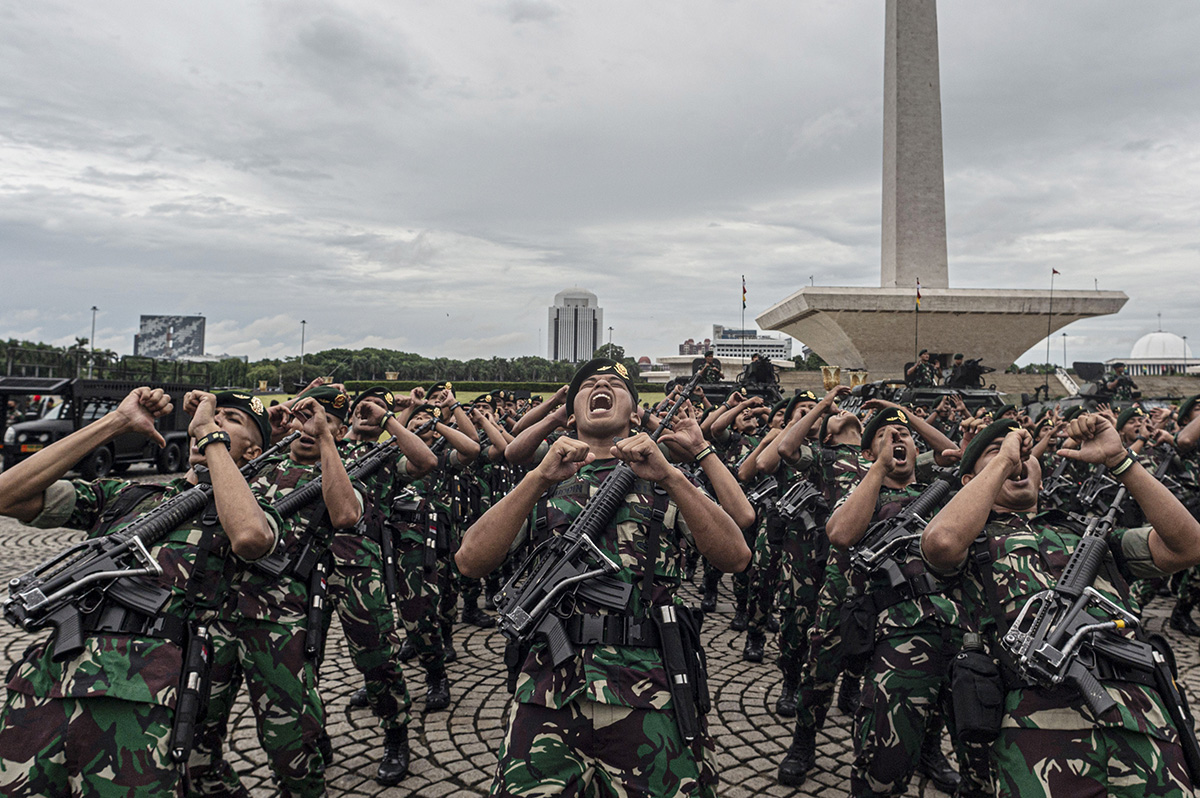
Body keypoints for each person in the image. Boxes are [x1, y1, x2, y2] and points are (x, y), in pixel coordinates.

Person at [457, 358, 750, 797]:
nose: (602, 387)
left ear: (635, 413)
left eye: (615, 384)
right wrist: (537, 478)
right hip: (549, 690)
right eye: (589, 384)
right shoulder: (544, 482)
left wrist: (670, 475)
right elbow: (470, 559)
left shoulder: (665, 481)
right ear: (571, 413)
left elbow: (736, 556)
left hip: (649, 692)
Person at [0, 388, 277, 798]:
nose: (215, 420)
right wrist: (115, 423)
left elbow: (252, 538)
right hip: (46, 683)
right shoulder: (128, 497)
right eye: (213, 414)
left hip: (140, 701)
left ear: (252, 454)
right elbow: (7, 494)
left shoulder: (250, 510)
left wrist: (206, 432)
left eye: (230, 420)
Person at [922, 416, 1200, 797]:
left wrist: (1121, 460)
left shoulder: (1089, 534)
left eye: (1024, 454)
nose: (1018, 458)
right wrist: (1005, 458)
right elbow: (939, 544)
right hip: (1040, 736)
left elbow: (1188, 546)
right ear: (972, 481)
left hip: (1141, 720)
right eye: (994, 451)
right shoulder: (974, 542)